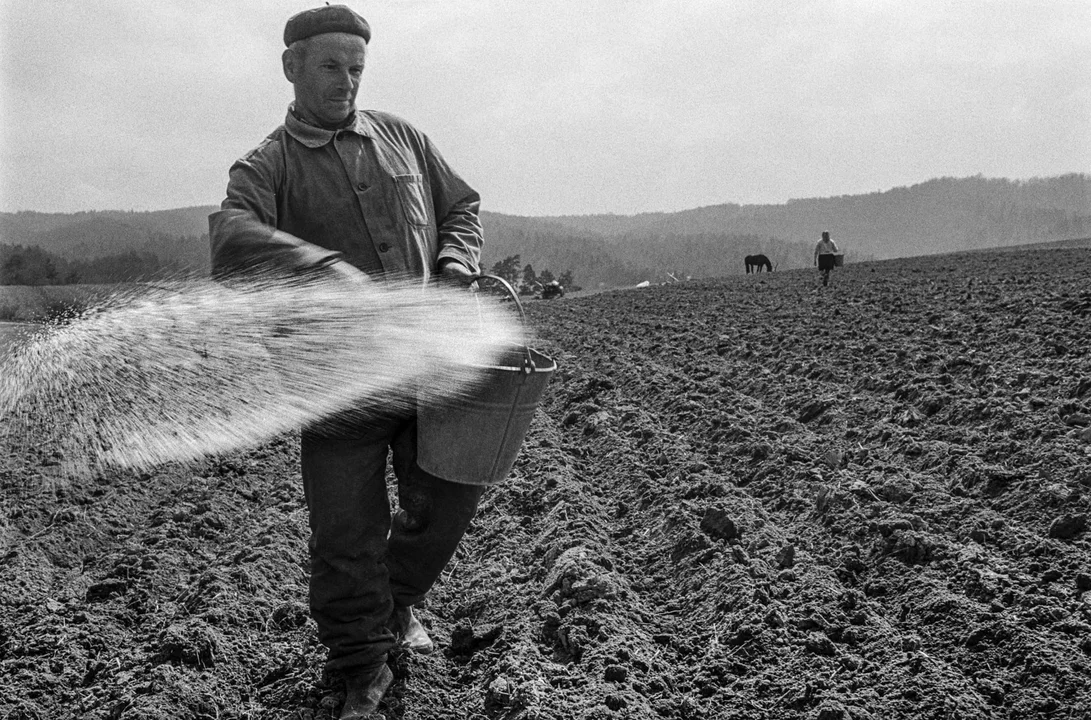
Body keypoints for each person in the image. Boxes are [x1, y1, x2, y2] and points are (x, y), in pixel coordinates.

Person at [208, 6, 486, 718]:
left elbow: (461, 206)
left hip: (425, 361)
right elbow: (233, 241)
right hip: (334, 380)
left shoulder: (402, 137)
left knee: (448, 499)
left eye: (357, 68)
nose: (346, 81)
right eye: (331, 66)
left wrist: (454, 261)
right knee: (344, 529)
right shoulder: (266, 165)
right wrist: (324, 269)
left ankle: (394, 603)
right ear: (292, 66)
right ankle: (359, 660)